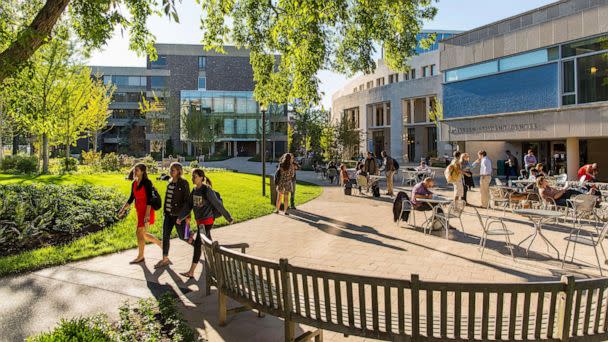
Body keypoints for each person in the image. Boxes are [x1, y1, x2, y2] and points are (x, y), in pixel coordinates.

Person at [176, 168, 234, 278]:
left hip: (207, 221)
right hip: (199, 221)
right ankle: (218, 263)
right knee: (209, 242)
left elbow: (217, 204)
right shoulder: (194, 190)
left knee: (198, 244)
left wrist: (228, 217)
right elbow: (188, 205)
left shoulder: (206, 190)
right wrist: (180, 217)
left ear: (201, 178)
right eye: (192, 176)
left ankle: (191, 272)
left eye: (195, 176)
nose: (192, 178)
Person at [118, 163, 162, 264]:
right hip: (139, 211)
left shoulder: (147, 182)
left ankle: (140, 256)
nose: (134, 171)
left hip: (147, 210)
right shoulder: (134, 183)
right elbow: (131, 199)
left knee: (139, 232)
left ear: (142, 171)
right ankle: (160, 243)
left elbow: (150, 199)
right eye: (134, 170)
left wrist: (147, 214)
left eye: (137, 170)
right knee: (144, 234)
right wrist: (123, 209)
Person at [155, 162, 190, 269]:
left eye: (173, 170)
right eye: (170, 170)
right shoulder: (170, 182)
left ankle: (198, 246)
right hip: (168, 215)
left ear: (179, 171)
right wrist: (165, 211)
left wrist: (187, 217)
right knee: (165, 236)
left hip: (179, 216)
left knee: (183, 236)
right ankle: (165, 259)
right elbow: (167, 199)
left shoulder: (184, 183)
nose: (171, 172)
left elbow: (187, 201)